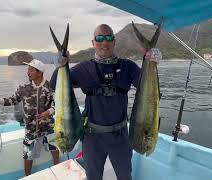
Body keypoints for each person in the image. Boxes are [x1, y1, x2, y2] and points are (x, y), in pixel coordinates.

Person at [50, 24, 159, 180]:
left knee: (125, 176)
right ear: (93, 42)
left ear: (114, 42)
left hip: (120, 136)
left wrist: (152, 62)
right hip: (92, 138)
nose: (104, 42)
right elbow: (55, 84)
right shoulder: (83, 69)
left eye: (108, 38)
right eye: (99, 38)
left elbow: (150, 91)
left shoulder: (128, 67)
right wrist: (60, 66)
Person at [0, 59, 60, 176]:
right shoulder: (23, 88)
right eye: (28, 70)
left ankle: (58, 170)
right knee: (28, 156)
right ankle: (27, 177)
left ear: (39, 72)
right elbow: (12, 100)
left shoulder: (50, 86)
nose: (28, 72)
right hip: (31, 129)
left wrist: (48, 112)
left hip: (48, 126)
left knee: (55, 149)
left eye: (31, 70)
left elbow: (57, 104)